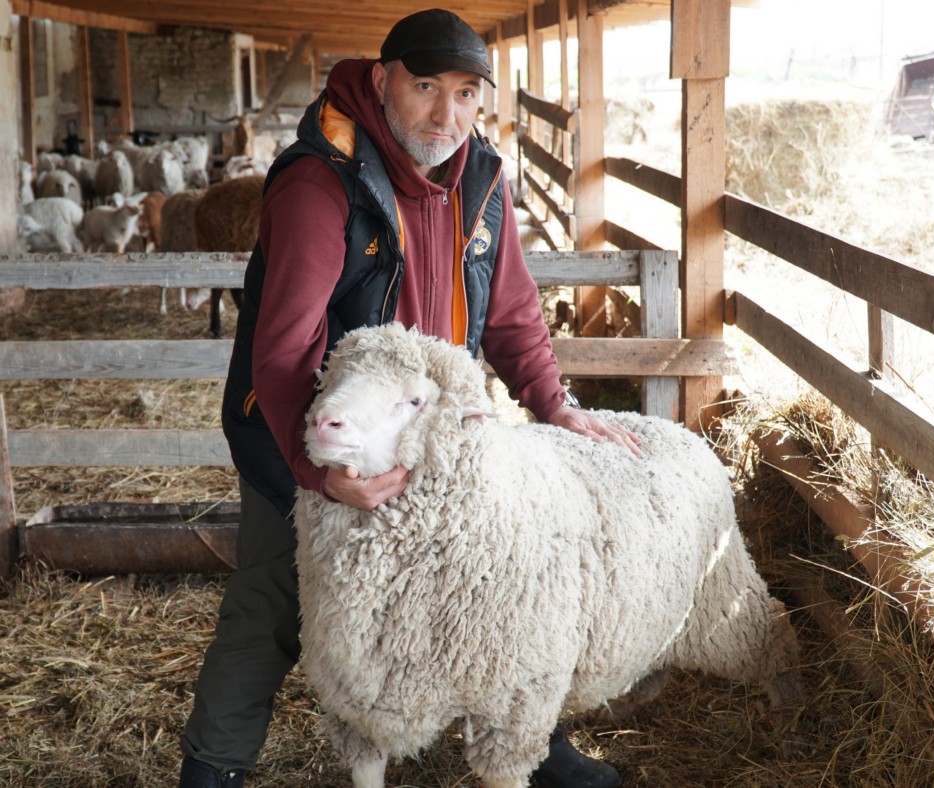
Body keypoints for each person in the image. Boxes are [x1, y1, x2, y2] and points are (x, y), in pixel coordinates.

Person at [179, 8, 637, 787]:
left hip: (430, 433)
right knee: (273, 598)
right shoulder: (322, 183)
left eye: (464, 94)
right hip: (324, 431)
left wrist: (554, 405)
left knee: (491, 582)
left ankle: (533, 742)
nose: (444, 114)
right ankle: (212, 770)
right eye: (425, 87)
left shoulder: (483, 181)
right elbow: (284, 349)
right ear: (384, 79)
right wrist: (317, 470)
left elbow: (514, 313)